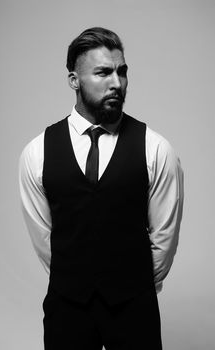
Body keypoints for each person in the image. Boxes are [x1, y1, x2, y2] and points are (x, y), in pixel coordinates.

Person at [19, 27, 184, 350]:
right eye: (103, 72)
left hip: (134, 307)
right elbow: (44, 237)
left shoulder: (155, 147)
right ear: (74, 80)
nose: (116, 83)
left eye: (121, 72)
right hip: (67, 308)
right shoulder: (36, 152)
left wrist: (133, 287)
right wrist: (76, 281)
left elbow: (164, 235)